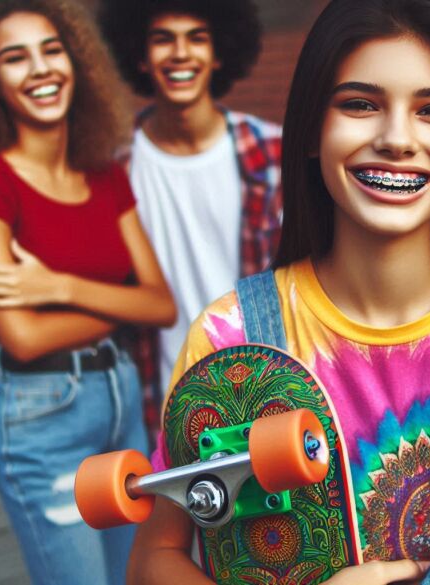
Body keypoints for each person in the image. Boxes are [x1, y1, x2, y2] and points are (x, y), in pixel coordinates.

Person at [127, 0, 430, 583]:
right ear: (313, 130)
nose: (397, 138)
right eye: (361, 104)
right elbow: (154, 563)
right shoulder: (227, 339)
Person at [0, 0, 176, 583]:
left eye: (51, 50)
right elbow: (22, 338)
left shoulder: (105, 176)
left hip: (123, 403)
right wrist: (117, 306)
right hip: (46, 417)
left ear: (75, 63)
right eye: (14, 58)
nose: (40, 69)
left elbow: (161, 304)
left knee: (131, 578)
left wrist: (56, 285)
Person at [101, 0, 283, 424]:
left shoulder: (274, 152)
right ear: (140, 56)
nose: (180, 53)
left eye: (196, 38)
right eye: (163, 39)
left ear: (219, 54)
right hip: (157, 402)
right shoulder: (113, 169)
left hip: (265, 391)